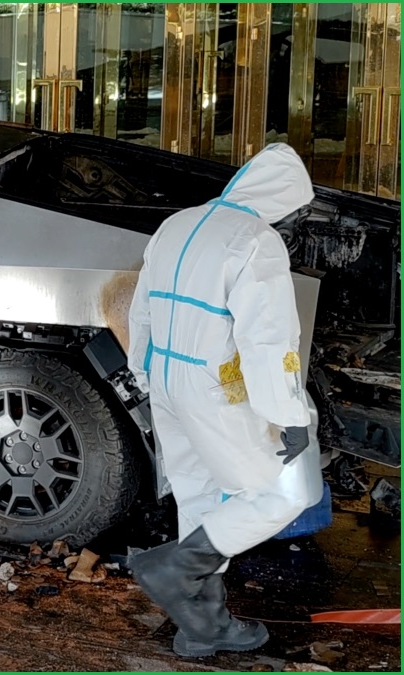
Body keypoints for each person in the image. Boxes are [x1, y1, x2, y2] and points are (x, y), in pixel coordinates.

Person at [126, 143, 318, 657]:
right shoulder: (256, 238)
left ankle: (202, 626)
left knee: (199, 495)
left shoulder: (180, 222)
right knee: (282, 494)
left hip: (166, 377)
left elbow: (140, 308)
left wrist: (143, 369)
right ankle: (176, 566)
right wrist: (289, 416)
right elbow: (269, 339)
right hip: (216, 387)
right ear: (282, 198)